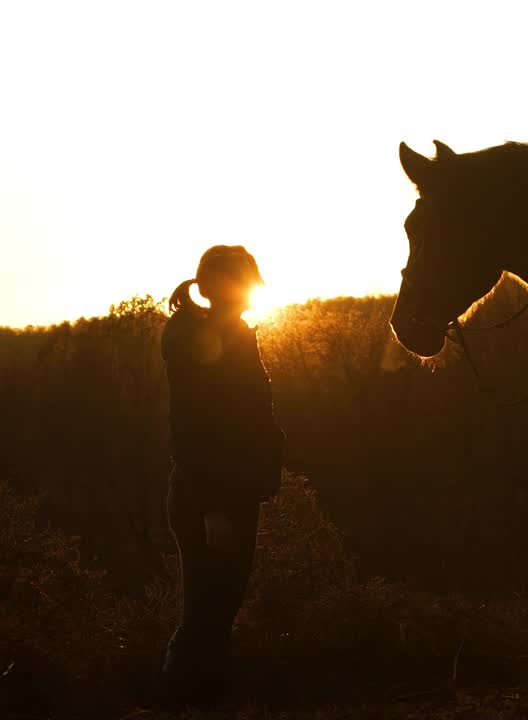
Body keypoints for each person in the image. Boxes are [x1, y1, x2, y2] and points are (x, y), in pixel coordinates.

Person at [159, 245, 284, 704]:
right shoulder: (202, 342)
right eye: (245, 280)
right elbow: (194, 430)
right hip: (210, 497)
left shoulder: (230, 335)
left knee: (218, 608)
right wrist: (213, 508)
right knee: (206, 611)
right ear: (221, 287)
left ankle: (204, 696)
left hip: (230, 493)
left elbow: (250, 416)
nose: (253, 290)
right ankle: (179, 698)